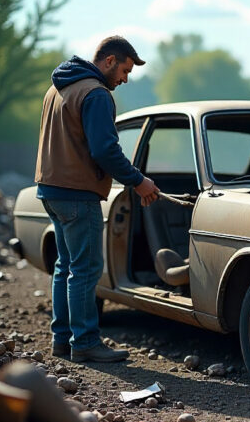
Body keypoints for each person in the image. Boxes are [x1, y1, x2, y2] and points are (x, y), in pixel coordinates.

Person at [34, 36, 160, 362]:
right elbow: (105, 150)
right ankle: (86, 342)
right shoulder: (96, 94)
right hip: (78, 194)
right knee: (86, 269)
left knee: (65, 267)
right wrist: (139, 181)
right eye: (125, 70)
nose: (125, 79)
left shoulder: (57, 89)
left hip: (50, 189)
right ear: (109, 61)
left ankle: (62, 340)